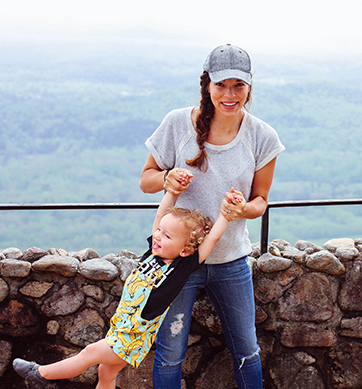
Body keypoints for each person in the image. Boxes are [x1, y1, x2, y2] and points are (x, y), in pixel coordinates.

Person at [138, 43, 285, 389]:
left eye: (238, 85)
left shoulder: (262, 136)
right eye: (221, 85)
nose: (230, 94)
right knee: (170, 352)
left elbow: (260, 201)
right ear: (206, 85)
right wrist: (166, 178)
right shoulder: (177, 123)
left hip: (230, 260)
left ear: (250, 87)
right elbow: (146, 180)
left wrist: (241, 210)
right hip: (176, 260)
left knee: (247, 350)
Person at [13, 170, 243, 389]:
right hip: (120, 329)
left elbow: (211, 238)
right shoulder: (153, 254)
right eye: (159, 232)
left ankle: (40, 374)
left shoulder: (181, 267)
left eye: (167, 236)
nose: (158, 237)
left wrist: (225, 214)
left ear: (185, 250)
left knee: (89, 354)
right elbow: (160, 216)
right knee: (106, 373)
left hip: (132, 338)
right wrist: (173, 192)